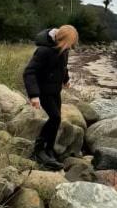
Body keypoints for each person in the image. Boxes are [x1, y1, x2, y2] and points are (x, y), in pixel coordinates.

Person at [23, 24, 79, 170]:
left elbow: (62, 67)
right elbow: (29, 72)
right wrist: (34, 95)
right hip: (43, 91)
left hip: (55, 90)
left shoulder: (64, 49)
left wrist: (66, 79)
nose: (71, 47)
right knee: (55, 118)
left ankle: (49, 149)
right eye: (70, 43)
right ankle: (38, 151)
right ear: (62, 39)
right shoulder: (44, 51)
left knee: (57, 119)